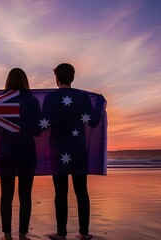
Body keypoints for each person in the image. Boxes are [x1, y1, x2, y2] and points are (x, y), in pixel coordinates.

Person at [43, 63, 103, 240]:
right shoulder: (83, 98)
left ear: (57, 79)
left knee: (60, 192)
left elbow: (44, 123)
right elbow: (93, 122)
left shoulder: (49, 98)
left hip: (57, 150)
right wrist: (99, 104)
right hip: (78, 150)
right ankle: (84, 233)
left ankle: (61, 234)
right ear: (73, 77)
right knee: (81, 192)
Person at [0, 68, 41, 240]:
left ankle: (7, 235)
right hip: (27, 151)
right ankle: (23, 235)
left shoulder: (0, 101)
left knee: (6, 195)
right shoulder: (33, 102)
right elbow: (38, 131)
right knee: (25, 196)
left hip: (6, 151)